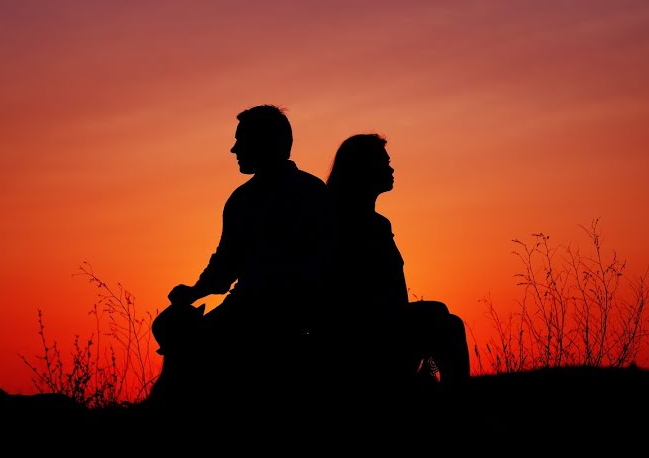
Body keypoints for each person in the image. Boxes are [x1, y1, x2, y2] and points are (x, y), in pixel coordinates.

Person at [147, 105, 332, 405]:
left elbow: (323, 261)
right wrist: (194, 292)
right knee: (181, 337)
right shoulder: (244, 198)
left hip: (288, 313)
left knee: (193, 356)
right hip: (249, 306)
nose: (234, 149)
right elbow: (225, 264)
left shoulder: (309, 193)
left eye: (241, 141)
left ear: (266, 143)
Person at [324, 133, 470, 390]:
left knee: (441, 315)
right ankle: (455, 396)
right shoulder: (341, 221)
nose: (391, 168)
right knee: (447, 322)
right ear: (363, 168)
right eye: (383, 162)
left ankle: (435, 381)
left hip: (383, 323)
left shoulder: (377, 223)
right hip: (359, 330)